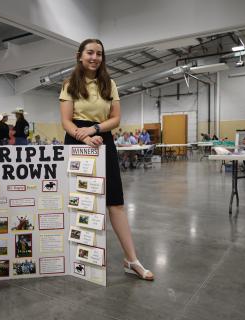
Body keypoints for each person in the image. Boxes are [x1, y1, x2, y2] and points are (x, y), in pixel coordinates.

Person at [59, 38, 153, 280]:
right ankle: (76, 258)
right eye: (90, 53)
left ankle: (131, 260)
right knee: (78, 202)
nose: (94, 57)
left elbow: (116, 118)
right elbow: (66, 120)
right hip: (76, 141)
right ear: (79, 56)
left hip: (103, 140)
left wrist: (94, 130)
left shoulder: (109, 83)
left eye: (99, 54)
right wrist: (83, 136)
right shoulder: (70, 84)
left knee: (115, 202)